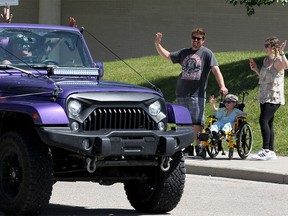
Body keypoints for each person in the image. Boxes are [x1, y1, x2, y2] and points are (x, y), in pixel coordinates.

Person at [154, 28, 228, 156]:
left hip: (197, 94)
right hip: (182, 92)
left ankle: (198, 145)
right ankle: (187, 146)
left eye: (198, 39)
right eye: (194, 38)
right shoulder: (184, 52)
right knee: (183, 122)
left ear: (203, 40)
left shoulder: (207, 53)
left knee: (197, 121)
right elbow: (167, 56)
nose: (195, 41)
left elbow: (216, 70)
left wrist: (222, 86)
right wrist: (157, 44)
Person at [249, 36, 288, 160]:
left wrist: (282, 52)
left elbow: (286, 66)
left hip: (274, 96)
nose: (265, 48)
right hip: (264, 95)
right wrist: (255, 68)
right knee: (269, 122)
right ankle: (271, 151)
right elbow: (264, 77)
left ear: (273, 47)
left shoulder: (278, 60)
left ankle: (265, 149)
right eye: (265, 45)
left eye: (267, 46)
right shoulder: (266, 60)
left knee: (263, 120)